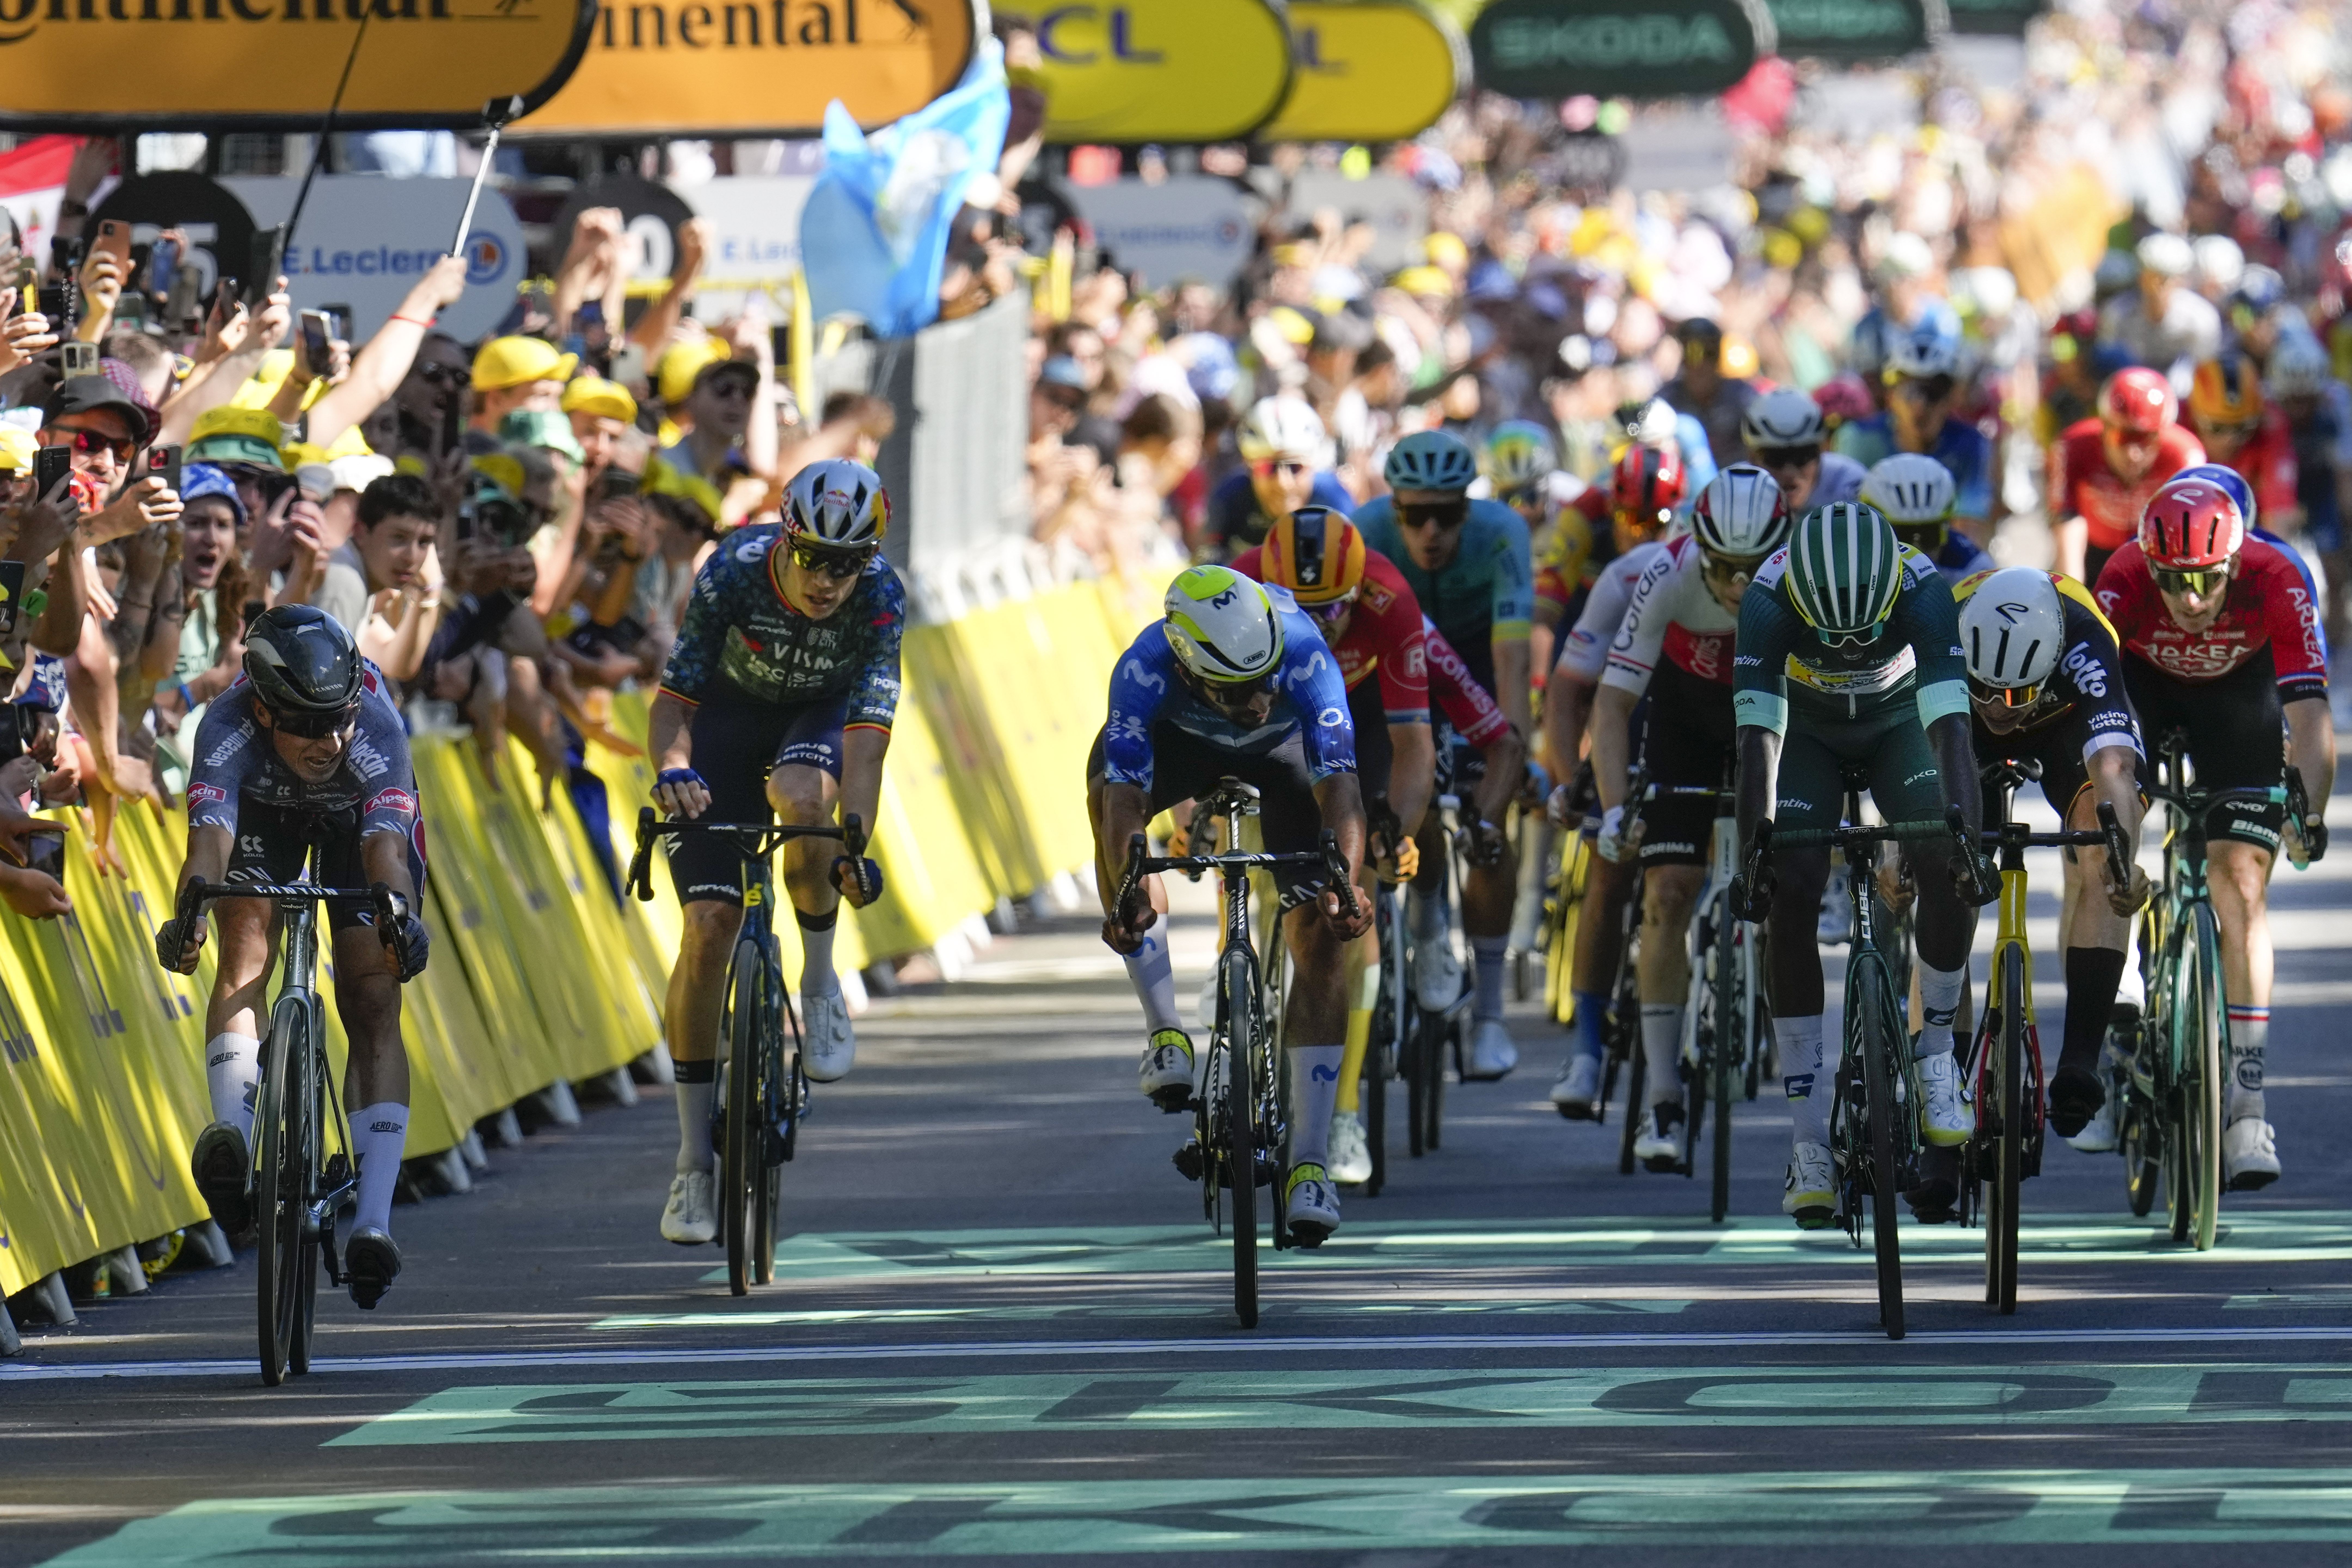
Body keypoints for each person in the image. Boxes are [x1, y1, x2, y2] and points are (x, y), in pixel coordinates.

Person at [645, 459, 898, 1245]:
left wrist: (853, 845)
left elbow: (865, 745)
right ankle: (693, 1160)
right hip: (723, 722)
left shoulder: (883, 598)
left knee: (803, 799)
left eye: (848, 563)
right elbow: (674, 702)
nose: (829, 580)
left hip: (814, 722)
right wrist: (673, 770)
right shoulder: (733, 573)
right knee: (710, 925)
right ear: (788, 541)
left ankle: (819, 986)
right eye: (816, 559)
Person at [1728, 502, 1996, 1229]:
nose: (1847, 642)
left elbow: (1950, 733)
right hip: (1807, 735)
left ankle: (1938, 1060)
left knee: (1945, 858)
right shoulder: (1766, 599)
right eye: (1830, 631)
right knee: (1788, 888)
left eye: (1862, 630)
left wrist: (1965, 842)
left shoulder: (1924, 591)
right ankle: (1809, 1139)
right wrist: (1755, 858)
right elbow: (1759, 748)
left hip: (1897, 723)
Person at [1235, 508, 1524, 1183]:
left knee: (1363, 875)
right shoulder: (1240, 585)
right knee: (1247, 804)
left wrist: (1391, 826)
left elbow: (1414, 745)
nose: (1318, 625)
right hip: (1278, 703)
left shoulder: (1392, 602)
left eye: (1331, 611)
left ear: (1359, 591)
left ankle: (1343, 1112)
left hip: (1362, 709)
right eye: (1298, 609)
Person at [154, 606, 431, 1310]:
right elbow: (206, 849)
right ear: (266, 711)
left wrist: (398, 916)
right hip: (262, 811)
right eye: (309, 724)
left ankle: (372, 1221)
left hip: (357, 827)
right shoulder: (227, 726)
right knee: (244, 950)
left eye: (339, 718)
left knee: (372, 993)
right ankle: (236, 1143)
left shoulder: (375, 726)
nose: (331, 740)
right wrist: (189, 917)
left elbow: (388, 852)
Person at [1089, 564, 1370, 1244]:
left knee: (1324, 940)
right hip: (1182, 746)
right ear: (1189, 670)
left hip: (1284, 755)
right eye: (1241, 687)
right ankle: (1164, 1031)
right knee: (1105, 809)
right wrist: (1127, 881)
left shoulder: (1302, 654)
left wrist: (1346, 882)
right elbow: (1126, 798)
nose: (1261, 694)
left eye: (1267, 676)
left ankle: (1310, 1162)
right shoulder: (1144, 668)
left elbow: (1341, 791)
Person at [2093, 474, 2334, 1189]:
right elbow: (2097, 712)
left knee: (2240, 881)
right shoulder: (2124, 577)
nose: (2192, 600)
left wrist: (2308, 814)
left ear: (2236, 562)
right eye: (2173, 580)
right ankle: (2123, 994)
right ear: (2149, 565)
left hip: (2240, 697)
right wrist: (2114, 822)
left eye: (2207, 580)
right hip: (2144, 687)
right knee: (2116, 812)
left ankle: (2247, 1107)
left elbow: (2312, 715)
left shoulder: (2276, 575)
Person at [1589, 464, 1794, 1167]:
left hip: (1779, 708)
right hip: (1687, 712)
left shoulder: (1802, 575)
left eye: (1754, 568)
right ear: (1697, 546)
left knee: (1794, 868)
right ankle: (1664, 1101)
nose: (1740, 587)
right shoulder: (1668, 571)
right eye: (1724, 569)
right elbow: (1613, 705)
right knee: (1667, 892)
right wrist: (1617, 810)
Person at [1354, 430, 1535, 1079]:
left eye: (1448, 514)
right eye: (1414, 515)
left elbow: (1513, 660)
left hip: (1475, 665)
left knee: (1491, 827)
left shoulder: (1502, 532)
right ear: (1393, 509)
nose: (1431, 530)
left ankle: (1488, 1015)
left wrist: (1513, 759)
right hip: (1390, 672)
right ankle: (1427, 927)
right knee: (1398, 797)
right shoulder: (1363, 530)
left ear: (1469, 508)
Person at [1952, 566, 2149, 1138]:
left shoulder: (2083, 640)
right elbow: (1910, 763)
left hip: (2063, 724)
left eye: (2013, 695)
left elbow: (2113, 767)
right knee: (1945, 869)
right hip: (1959, 736)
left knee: (2102, 843)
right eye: (1984, 688)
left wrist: (2122, 864)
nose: (1998, 707)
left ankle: (2081, 1061)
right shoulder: (1939, 632)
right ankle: (1938, 1070)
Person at [1833, 321, 1996, 543]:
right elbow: (1842, 525)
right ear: (1891, 398)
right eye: (1910, 392)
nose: (1921, 405)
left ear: (1951, 400)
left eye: (1934, 393)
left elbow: (1968, 532)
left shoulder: (1971, 444)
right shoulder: (1859, 439)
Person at [2049, 367, 2205, 585]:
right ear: (2104, 427)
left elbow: (2191, 533)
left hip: (2156, 556)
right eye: (2122, 437)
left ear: (2164, 434)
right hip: (2093, 554)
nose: (2134, 454)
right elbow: (2068, 522)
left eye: (2146, 439)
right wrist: (2073, 592)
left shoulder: (2184, 453)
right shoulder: (2073, 446)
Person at [1200, 395, 1351, 559]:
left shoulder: (1335, 501)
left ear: (1314, 467)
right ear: (1248, 468)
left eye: (1295, 468)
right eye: (1267, 468)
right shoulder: (1228, 498)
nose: (1283, 483)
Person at [2186, 354, 2298, 530]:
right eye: (2217, 427)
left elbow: (2279, 514)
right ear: (2193, 417)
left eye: (2243, 428)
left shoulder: (2272, 426)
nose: (2230, 439)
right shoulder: (2176, 426)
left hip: (2251, 530)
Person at [2099, 232, 2223, 386]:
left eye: (2164, 280)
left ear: (2179, 281)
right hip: (2133, 386)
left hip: (2182, 395)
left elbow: (2207, 372)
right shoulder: (2117, 312)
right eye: (2150, 277)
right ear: (2140, 277)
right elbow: (2107, 361)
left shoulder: (2201, 319)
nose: (2155, 287)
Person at [1860, 452, 1989, 583]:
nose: (1916, 552)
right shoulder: (1846, 561)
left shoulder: (1973, 570)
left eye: (1928, 536)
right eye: (1900, 538)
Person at [1742, 387, 1866, 512]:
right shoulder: (1735, 490)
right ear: (1752, 459)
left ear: (1822, 451)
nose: (1790, 472)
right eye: (1775, 459)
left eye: (1803, 457)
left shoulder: (1848, 483)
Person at [1662, 317, 1759, 473]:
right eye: (1693, 353)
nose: (1701, 365)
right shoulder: (1667, 401)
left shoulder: (1742, 397)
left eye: (1710, 354)